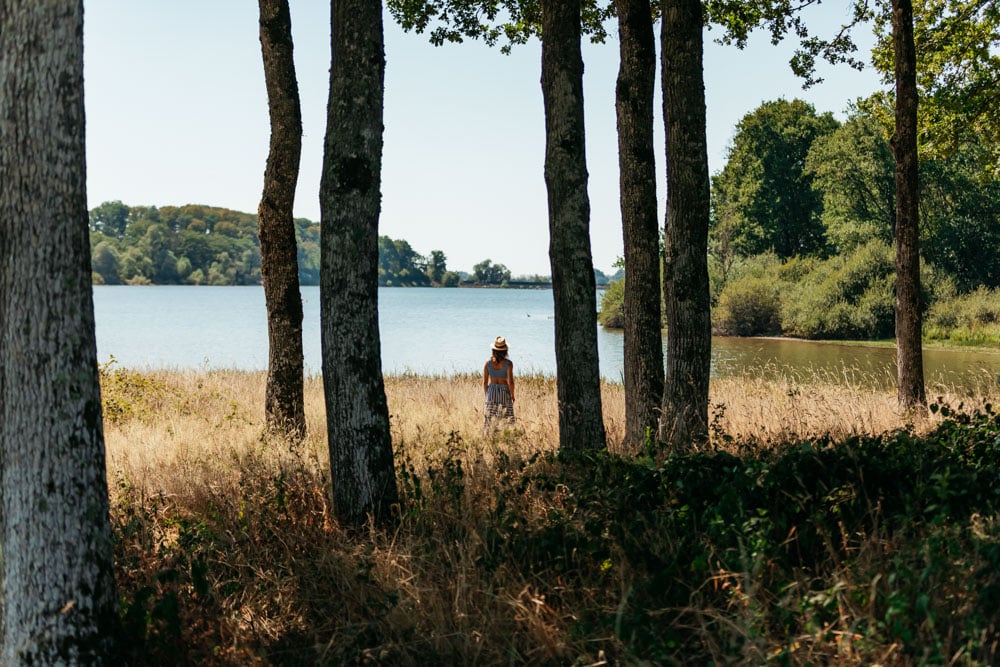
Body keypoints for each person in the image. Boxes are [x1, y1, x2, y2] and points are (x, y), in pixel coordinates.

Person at [483, 335, 515, 432]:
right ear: (505, 351)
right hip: (504, 391)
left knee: (490, 416)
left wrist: (487, 395)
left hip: (491, 390)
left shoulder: (487, 363)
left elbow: (485, 382)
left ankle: (489, 436)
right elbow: (511, 382)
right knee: (506, 416)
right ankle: (506, 435)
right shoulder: (508, 364)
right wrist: (512, 395)